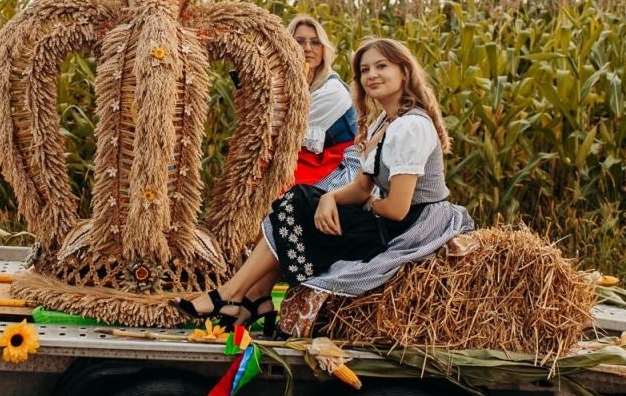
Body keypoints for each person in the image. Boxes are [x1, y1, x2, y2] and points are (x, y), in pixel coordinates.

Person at [176, 37, 473, 333]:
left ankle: (235, 296)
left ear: (404, 72)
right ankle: (248, 297)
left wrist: (366, 204)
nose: (372, 75)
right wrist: (329, 199)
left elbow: (396, 208)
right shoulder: (385, 121)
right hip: (393, 221)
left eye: (382, 66)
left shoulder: (411, 126)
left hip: (412, 228)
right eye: (365, 70)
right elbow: (360, 188)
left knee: (298, 204)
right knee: (300, 200)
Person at [288, 15, 358, 186]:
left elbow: (286, 131)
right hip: (311, 159)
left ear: (324, 49)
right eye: (299, 41)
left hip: (342, 165)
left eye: (315, 42)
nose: (308, 48)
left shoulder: (333, 90)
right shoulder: (291, 84)